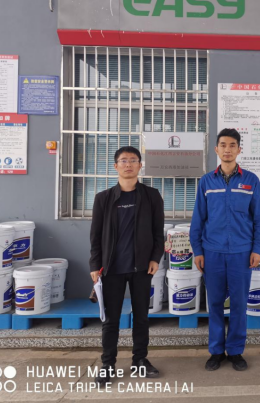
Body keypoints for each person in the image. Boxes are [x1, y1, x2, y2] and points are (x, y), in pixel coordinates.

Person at [190, 128, 260, 372]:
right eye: (223, 145)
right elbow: (198, 219)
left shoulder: (251, 180)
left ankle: (235, 351)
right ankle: (216, 351)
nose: (227, 149)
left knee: (239, 305)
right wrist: (198, 250)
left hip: (241, 253)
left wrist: (257, 249)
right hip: (212, 253)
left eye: (232, 145)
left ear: (239, 149)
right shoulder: (206, 181)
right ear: (216, 149)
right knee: (214, 303)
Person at [89, 146, 165, 384]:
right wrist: (95, 265)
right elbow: (95, 236)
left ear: (140, 165)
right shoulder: (103, 199)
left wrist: (155, 258)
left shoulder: (151, 196)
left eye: (133, 160)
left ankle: (140, 360)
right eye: (123, 160)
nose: (128, 164)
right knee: (110, 319)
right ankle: (107, 364)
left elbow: (158, 232)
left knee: (141, 317)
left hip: (142, 268)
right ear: (116, 166)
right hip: (111, 268)